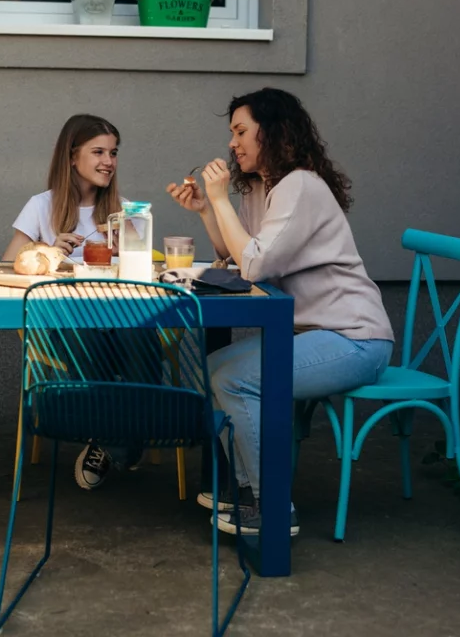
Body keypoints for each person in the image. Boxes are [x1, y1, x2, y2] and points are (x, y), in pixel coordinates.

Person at [166, 88, 395, 537]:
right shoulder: (263, 186)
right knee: (214, 367)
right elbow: (238, 251)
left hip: (355, 339)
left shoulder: (300, 186)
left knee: (235, 378)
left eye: (241, 131)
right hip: (317, 336)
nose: (232, 143)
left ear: (271, 132)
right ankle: (245, 487)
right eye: (231, 133)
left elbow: (254, 264)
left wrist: (219, 200)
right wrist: (207, 212)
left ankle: (270, 507)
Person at [3, 113, 147, 491]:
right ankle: (128, 435)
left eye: (114, 153)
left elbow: (145, 272)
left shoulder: (124, 211)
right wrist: (47, 252)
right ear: (71, 156)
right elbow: (6, 268)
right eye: (98, 151)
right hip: (66, 325)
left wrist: (127, 248)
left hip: (120, 322)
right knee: (90, 335)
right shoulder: (41, 206)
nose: (109, 162)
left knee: (141, 334)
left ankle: (113, 437)